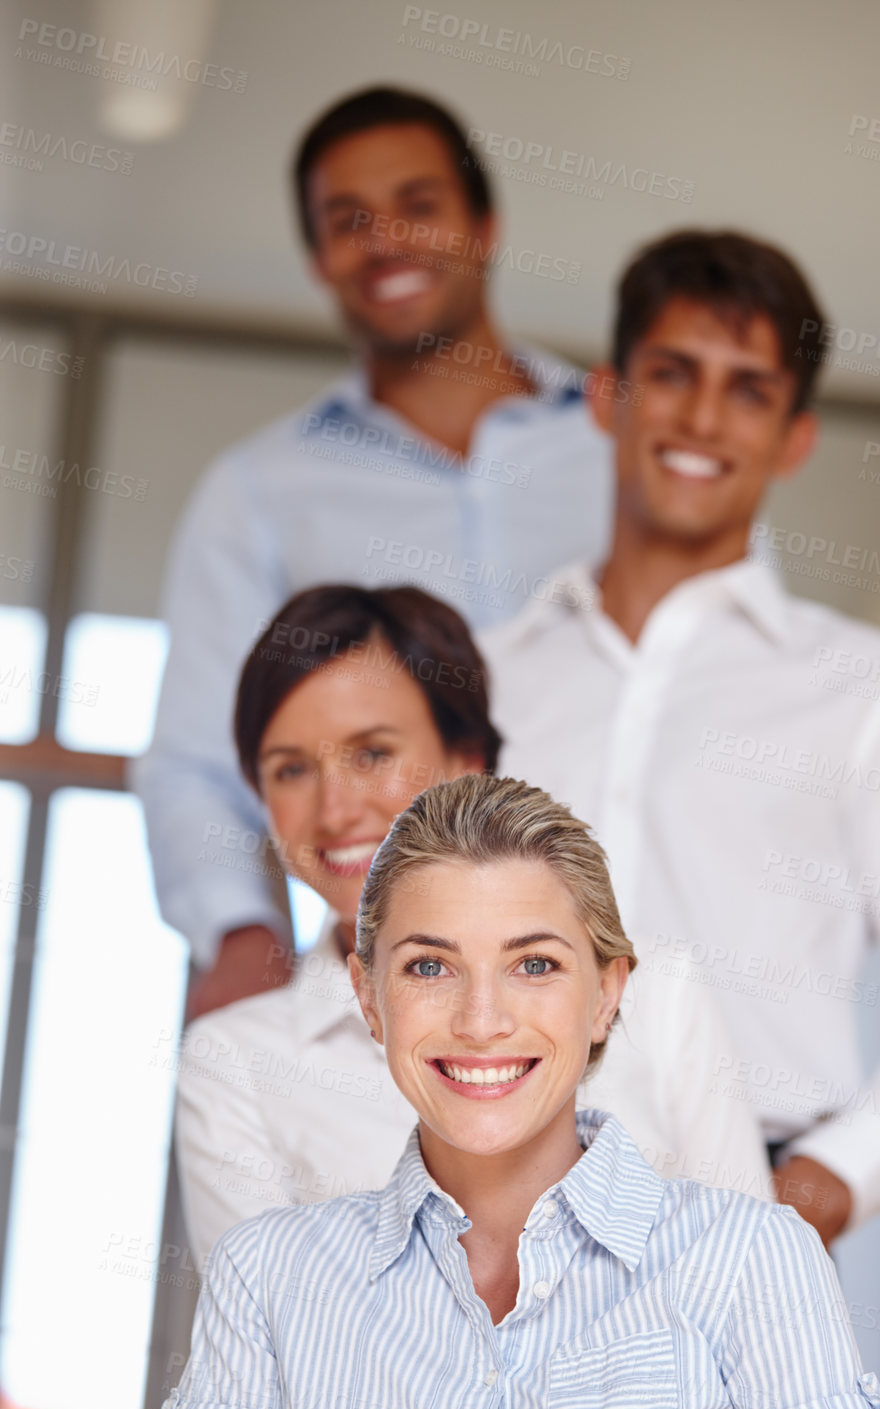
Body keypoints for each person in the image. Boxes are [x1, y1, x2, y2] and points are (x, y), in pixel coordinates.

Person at [134, 774, 880, 1409]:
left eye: (535, 964)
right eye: (429, 967)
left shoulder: (755, 1262)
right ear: (369, 998)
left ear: (606, 995)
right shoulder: (269, 1281)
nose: (481, 1019)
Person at [483, 229, 880, 1249]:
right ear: (607, 398)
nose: (700, 417)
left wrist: (813, 1190)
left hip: (735, 1207)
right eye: (672, 374)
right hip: (482, 1210)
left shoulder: (879, 693)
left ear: (793, 438)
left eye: (748, 390)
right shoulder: (482, 676)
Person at [133, 86, 612, 1019]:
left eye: (419, 205)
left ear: (486, 225)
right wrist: (241, 940)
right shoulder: (257, 490)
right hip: (382, 992)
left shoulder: (625, 447)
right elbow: (195, 754)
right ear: (318, 258)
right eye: (348, 220)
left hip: (609, 969)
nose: (386, 239)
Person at [175, 584, 769, 1269]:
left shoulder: (657, 993)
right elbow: (266, 1336)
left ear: (467, 759)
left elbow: (747, 1282)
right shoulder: (235, 1061)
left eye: (372, 754)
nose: (334, 809)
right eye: (291, 770)